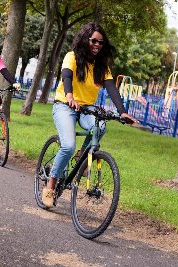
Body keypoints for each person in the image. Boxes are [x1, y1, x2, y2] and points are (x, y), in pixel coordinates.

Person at [41, 22, 138, 208]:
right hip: (64, 105)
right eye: (94, 40)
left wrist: (122, 112)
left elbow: (111, 88)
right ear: (86, 40)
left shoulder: (102, 66)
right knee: (67, 146)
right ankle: (50, 185)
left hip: (86, 108)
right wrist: (69, 96)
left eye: (101, 43)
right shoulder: (72, 56)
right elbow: (66, 76)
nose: (97, 45)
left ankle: (82, 157)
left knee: (100, 126)